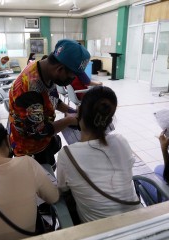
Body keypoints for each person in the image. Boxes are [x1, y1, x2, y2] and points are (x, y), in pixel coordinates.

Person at [57, 86, 141, 223]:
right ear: (109, 119)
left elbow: (61, 189)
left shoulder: (67, 155)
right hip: (138, 222)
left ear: (79, 112)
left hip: (98, 233)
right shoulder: (120, 141)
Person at [8, 39, 90, 168]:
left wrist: (72, 111)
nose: (71, 81)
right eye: (72, 76)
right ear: (60, 69)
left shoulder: (44, 70)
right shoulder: (29, 89)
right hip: (29, 150)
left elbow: (53, 100)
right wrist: (68, 121)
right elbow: (38, 132)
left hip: (44, 141)